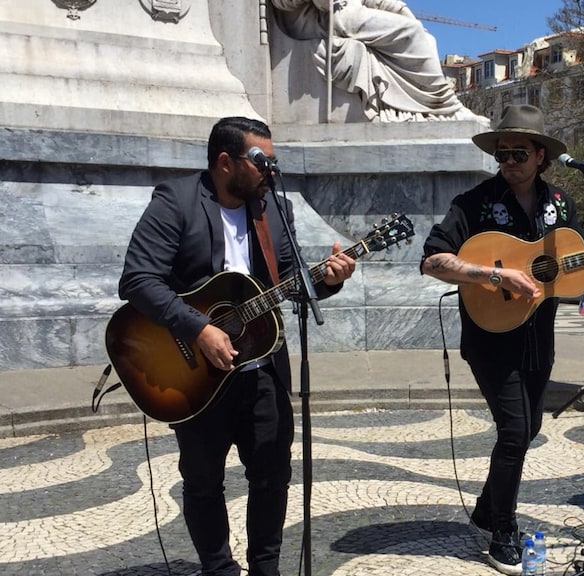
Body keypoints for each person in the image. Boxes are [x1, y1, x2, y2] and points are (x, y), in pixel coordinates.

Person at [118, 117, 357, 576]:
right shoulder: (177, 201)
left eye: (273, 161)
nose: (270, 170)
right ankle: (219, 568)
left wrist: (327, 281)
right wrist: (198, 328)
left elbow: (290, 282)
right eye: (260, 160)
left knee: (272, 474)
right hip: (194, 373)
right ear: (225, 162)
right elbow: (137, 279)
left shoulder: (273, 209)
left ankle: (266, 568)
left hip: (261, 367)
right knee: (203, 480)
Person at [420, 104, 584, 574]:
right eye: (502, 153)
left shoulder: (560, 204)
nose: (509, 161)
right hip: (489, 337)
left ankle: (487, 507)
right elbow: (433, 260)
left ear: (541, 155)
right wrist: (493, 275)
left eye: (518, 153)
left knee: (531, 429)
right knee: (514, 432)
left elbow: (579, 267)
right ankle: (502, 528)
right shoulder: (475, 202)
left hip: (538, 341)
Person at [270, 0, 476, 121]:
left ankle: (434, 105)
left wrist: (404, 13)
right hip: (325, 19)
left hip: (350, 12)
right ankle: (446, 107)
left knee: (425, 36)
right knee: (411, 33)